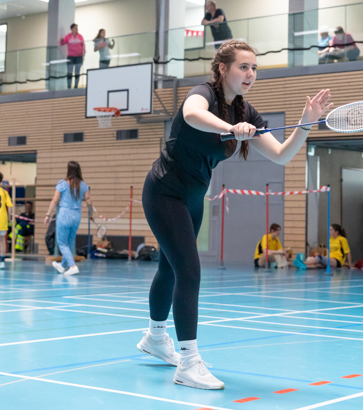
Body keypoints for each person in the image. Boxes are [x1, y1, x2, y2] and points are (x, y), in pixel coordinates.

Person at [137, 39, 331, 390]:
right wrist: (229, 129)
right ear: (223, 69)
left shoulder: (246, 113)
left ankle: (154, 337)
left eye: (254, 68)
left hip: (192, 197)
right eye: (244, 66)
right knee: (189, 270)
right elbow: (191, 115)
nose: (250, 74)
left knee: (170, 267)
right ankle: (189, 362)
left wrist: (305, 124)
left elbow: (282, 156)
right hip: (164, 191)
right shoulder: (204, 93)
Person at [44, 161, 94, 276]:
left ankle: (72, 266)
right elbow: (89, 201)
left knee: (61, 242)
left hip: (64, 215)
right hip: (76, 217)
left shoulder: (62, 183)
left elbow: (55, 200)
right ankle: (62, 266)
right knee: (70, 241)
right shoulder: (84, 185)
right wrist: (90, 214)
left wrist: (48, 214)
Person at [60, 23, 85, 88]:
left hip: (79, 57)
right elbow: (63, 43)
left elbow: (83, 46)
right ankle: (69, 87)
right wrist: (62, 41)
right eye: (75, 28)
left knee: (77, 72)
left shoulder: (80, 36)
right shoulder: (68, 36)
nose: (77, 29)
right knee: (69, 72)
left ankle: (76, 86)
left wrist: (83, 54)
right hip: (70, 57)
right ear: (72, 29)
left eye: (77, 28)